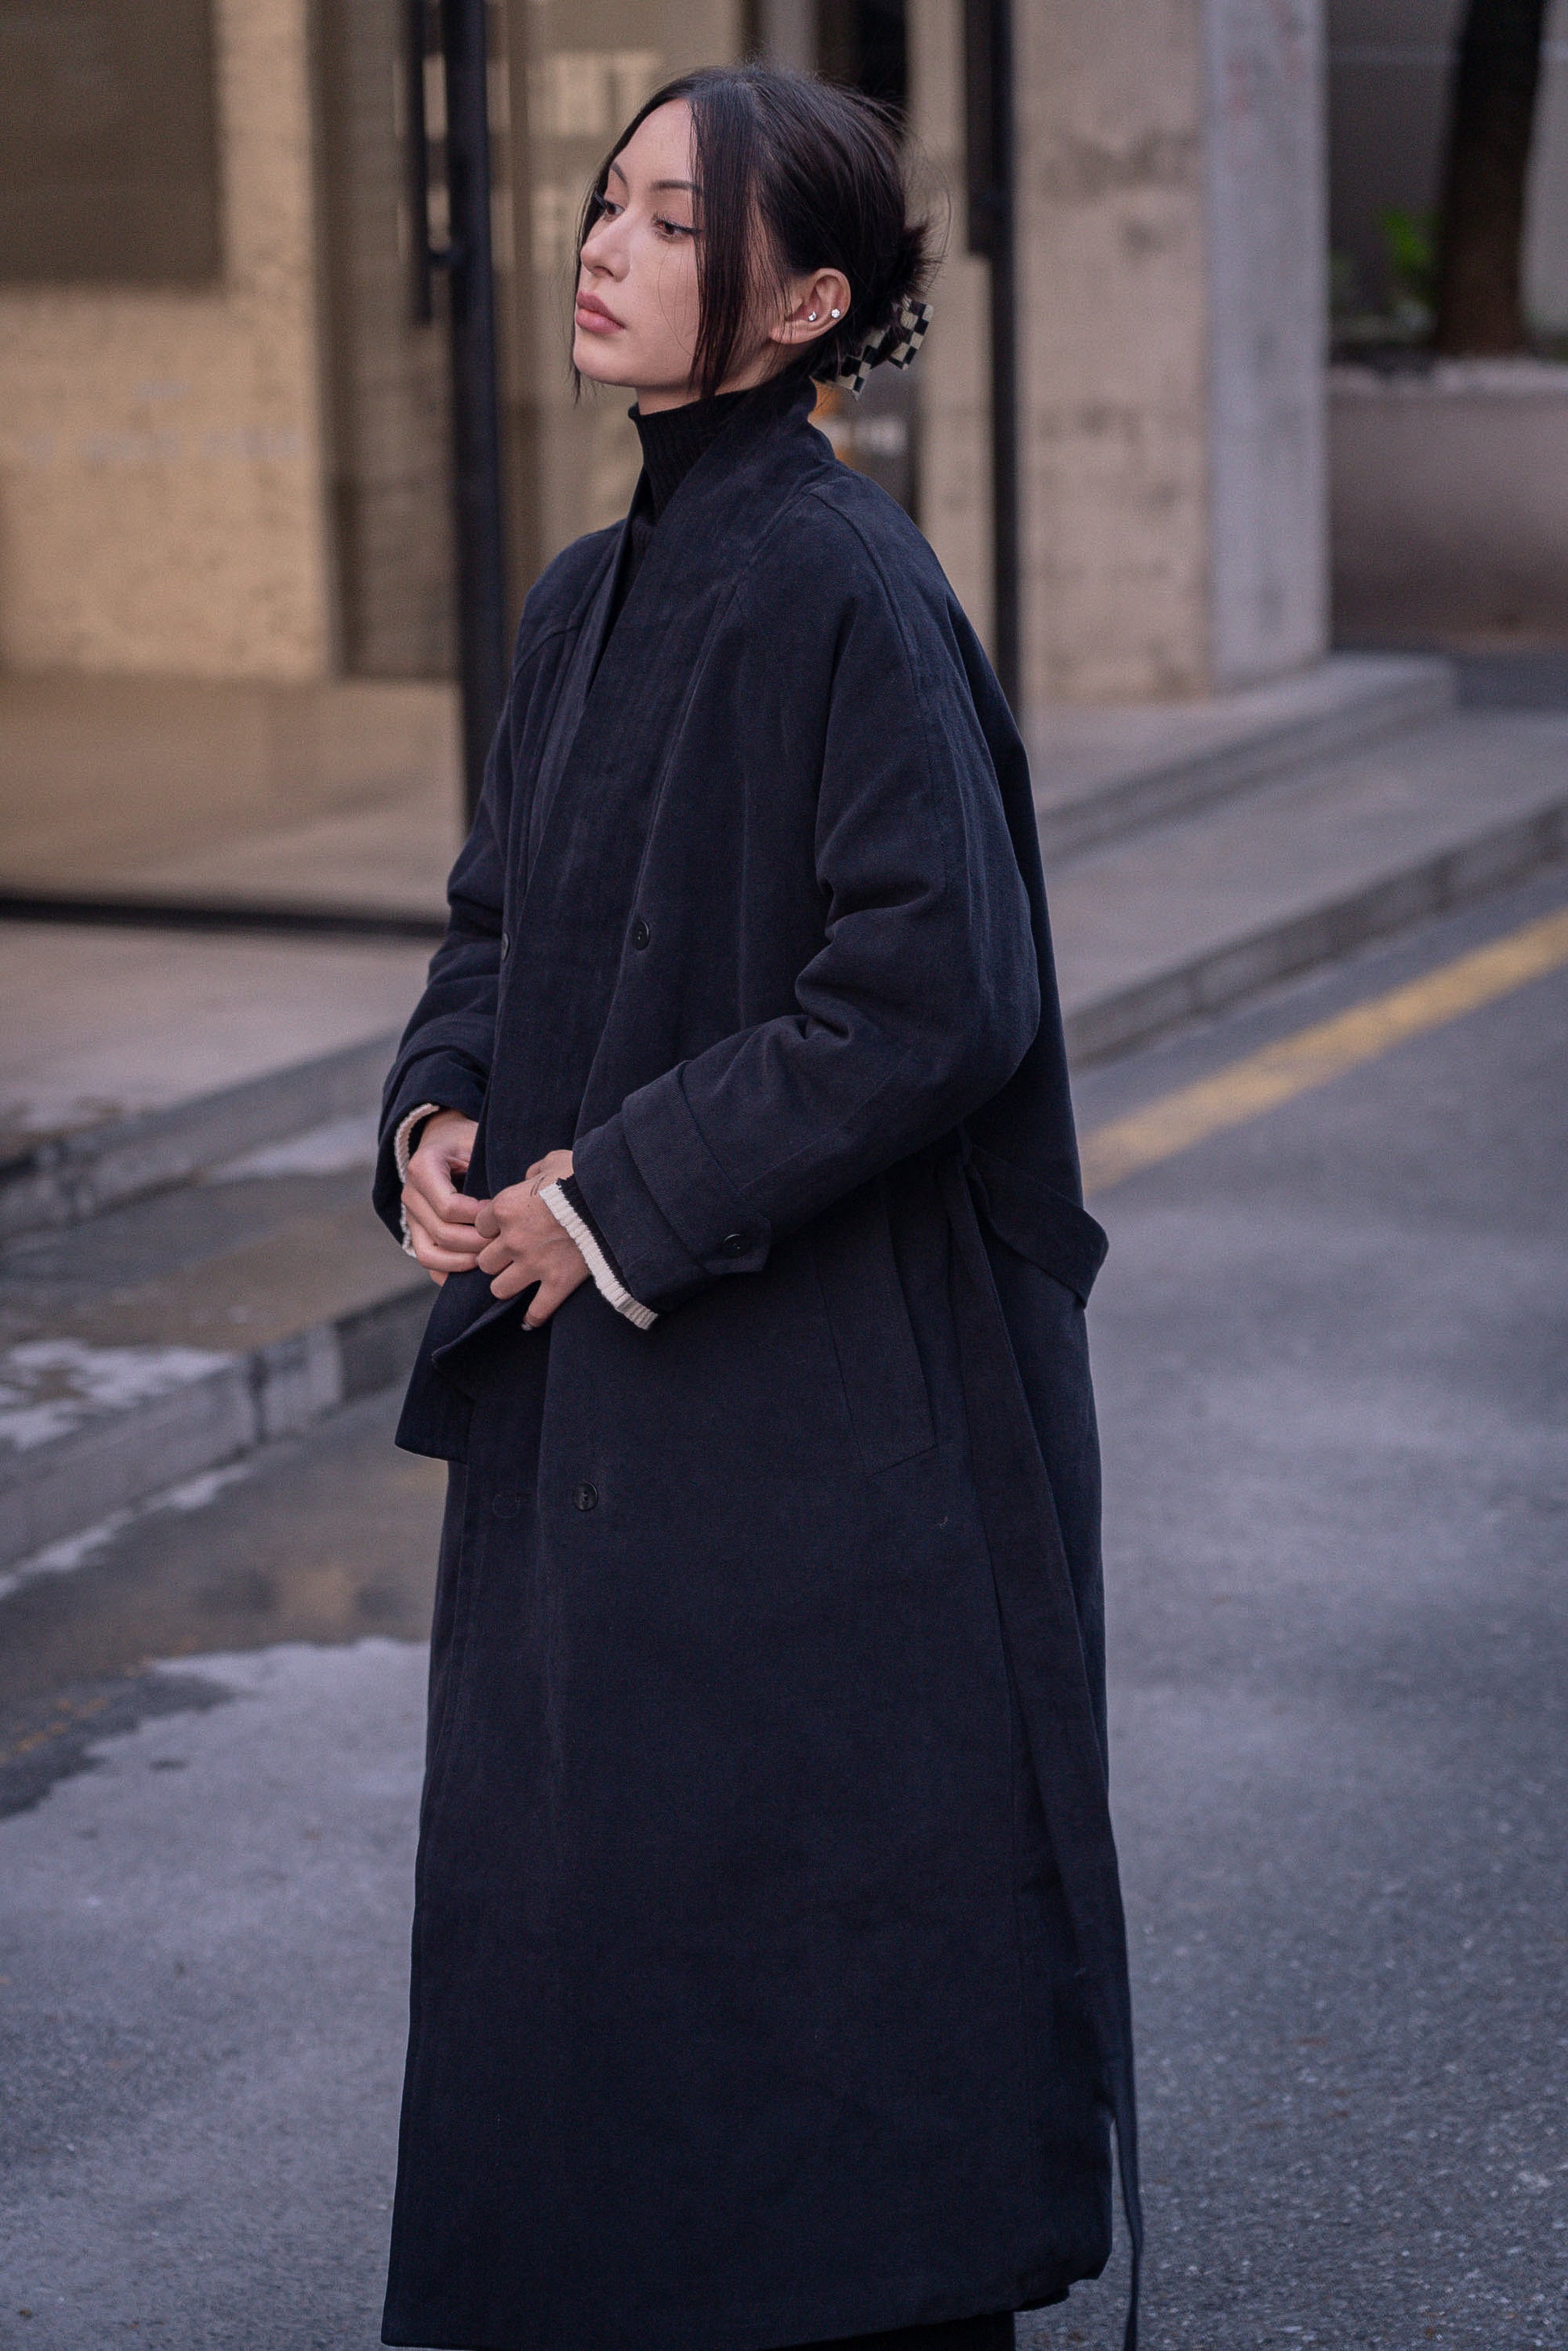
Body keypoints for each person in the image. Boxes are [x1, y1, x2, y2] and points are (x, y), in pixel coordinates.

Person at [374, 64, 1140, 2351]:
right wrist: (437, 1115)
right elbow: (497, 921)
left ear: (806, 305)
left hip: (817, 1404)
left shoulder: (844, 581)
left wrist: (607, 1196)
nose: (603, 243)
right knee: (601, 1924)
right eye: (606, 200)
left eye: (674, 218)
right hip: (594, 1390)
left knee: (811, 1945)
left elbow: (936, 990)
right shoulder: (580, 598)